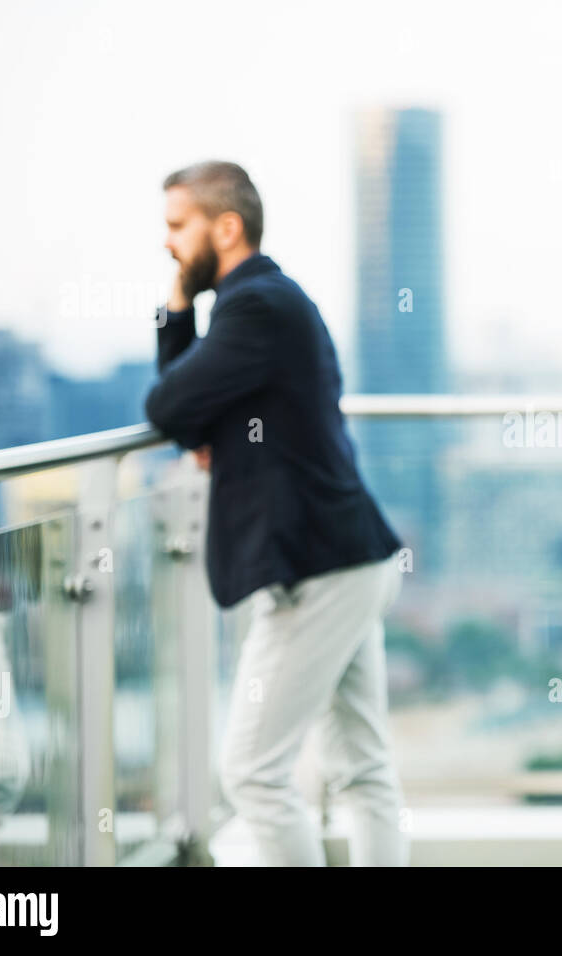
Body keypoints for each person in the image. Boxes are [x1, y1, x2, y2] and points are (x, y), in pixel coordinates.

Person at [144, 161, 407, 866]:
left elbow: (168, 406)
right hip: (351, 556)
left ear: (226, 226)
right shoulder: (269, 303)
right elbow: (193, 415)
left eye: (177, 227)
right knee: (361, 766)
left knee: (253, 773)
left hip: (317, 567)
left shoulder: (256, 307)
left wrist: (175, 305)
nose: (167, 242)